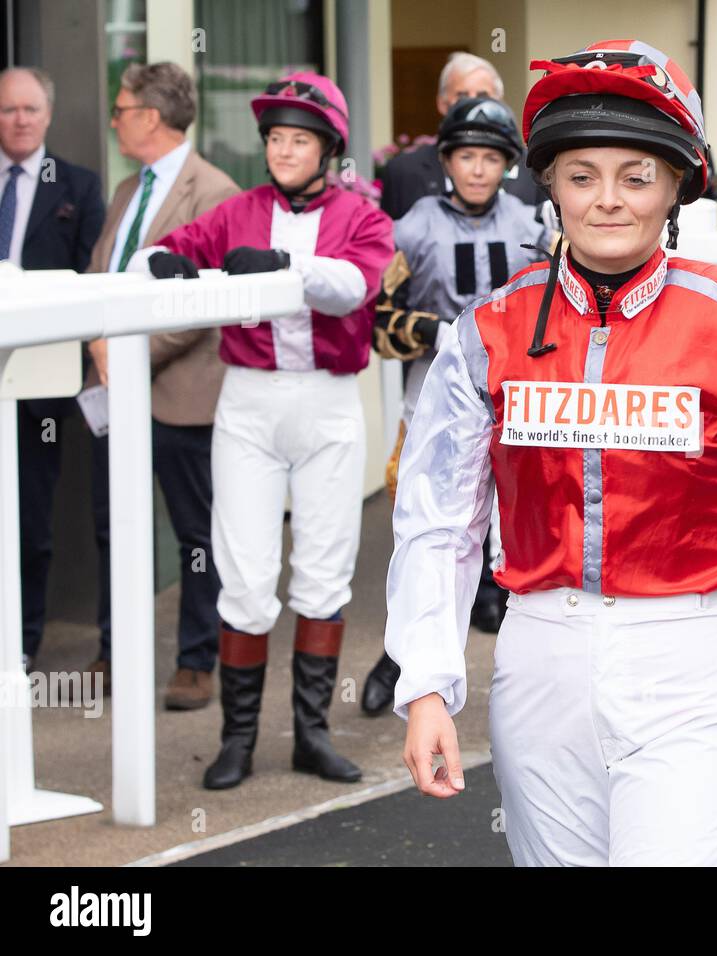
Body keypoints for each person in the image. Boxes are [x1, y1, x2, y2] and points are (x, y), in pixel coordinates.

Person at [385, 39, 717, 866]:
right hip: (539, 666)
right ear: (551, 188)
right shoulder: (485, 335)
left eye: (636, 177)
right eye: (581, 176)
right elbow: (437, 523)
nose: (608, 201)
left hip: (693, 670)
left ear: (676, 186)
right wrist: (426, 682)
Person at [129, 72, 393, 789]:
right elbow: (143, 260)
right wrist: (173, 266)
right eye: (275, 138)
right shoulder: (238, 210)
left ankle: (311, 735)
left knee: (325, 569)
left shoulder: (363, 217)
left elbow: (353, 286)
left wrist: (285, 266)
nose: (282, 150)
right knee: (243, 573)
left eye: (298, 139)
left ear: (327, 148)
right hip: (247, 402)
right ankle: (237, 741)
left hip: (329, 403)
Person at [360, 96, 554, 716]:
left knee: (519, 528)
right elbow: (379, 325)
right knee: (424, 527)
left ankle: (522, 683)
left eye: (490, 159)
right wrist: (438, 332)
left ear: (506, 167)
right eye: (467, 157)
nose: (477, 170)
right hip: (434, 403)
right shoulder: (413, 226)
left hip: (517, 405)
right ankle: (400, 658)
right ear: (447, 161)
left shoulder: (533, 227)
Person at [83, 61, 241, 708]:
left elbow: (200, 307)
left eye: (121, 108)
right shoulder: (127, 190)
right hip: (109, 388)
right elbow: (100, 270)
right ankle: (114, 650)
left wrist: (124, 350)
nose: (115, 119)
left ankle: (197, 661)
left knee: (195, 533)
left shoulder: (216, 192)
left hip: (181, 392)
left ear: (150, 115)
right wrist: (98, 341)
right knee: (111, 525)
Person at [1, 66, 106, 676]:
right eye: (9, 109)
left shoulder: (77, 186)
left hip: (38, 385)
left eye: (30, 109)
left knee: (29, 521)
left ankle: (22, 639)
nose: (19, 120)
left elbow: (89, 283)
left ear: (47, 115)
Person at [379, 52, 544, 221]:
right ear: (442, 104)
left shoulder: (532, 167)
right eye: (462, 96)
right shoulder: (403, 171)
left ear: (499, 102)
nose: (472, 105)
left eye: (483, 96)